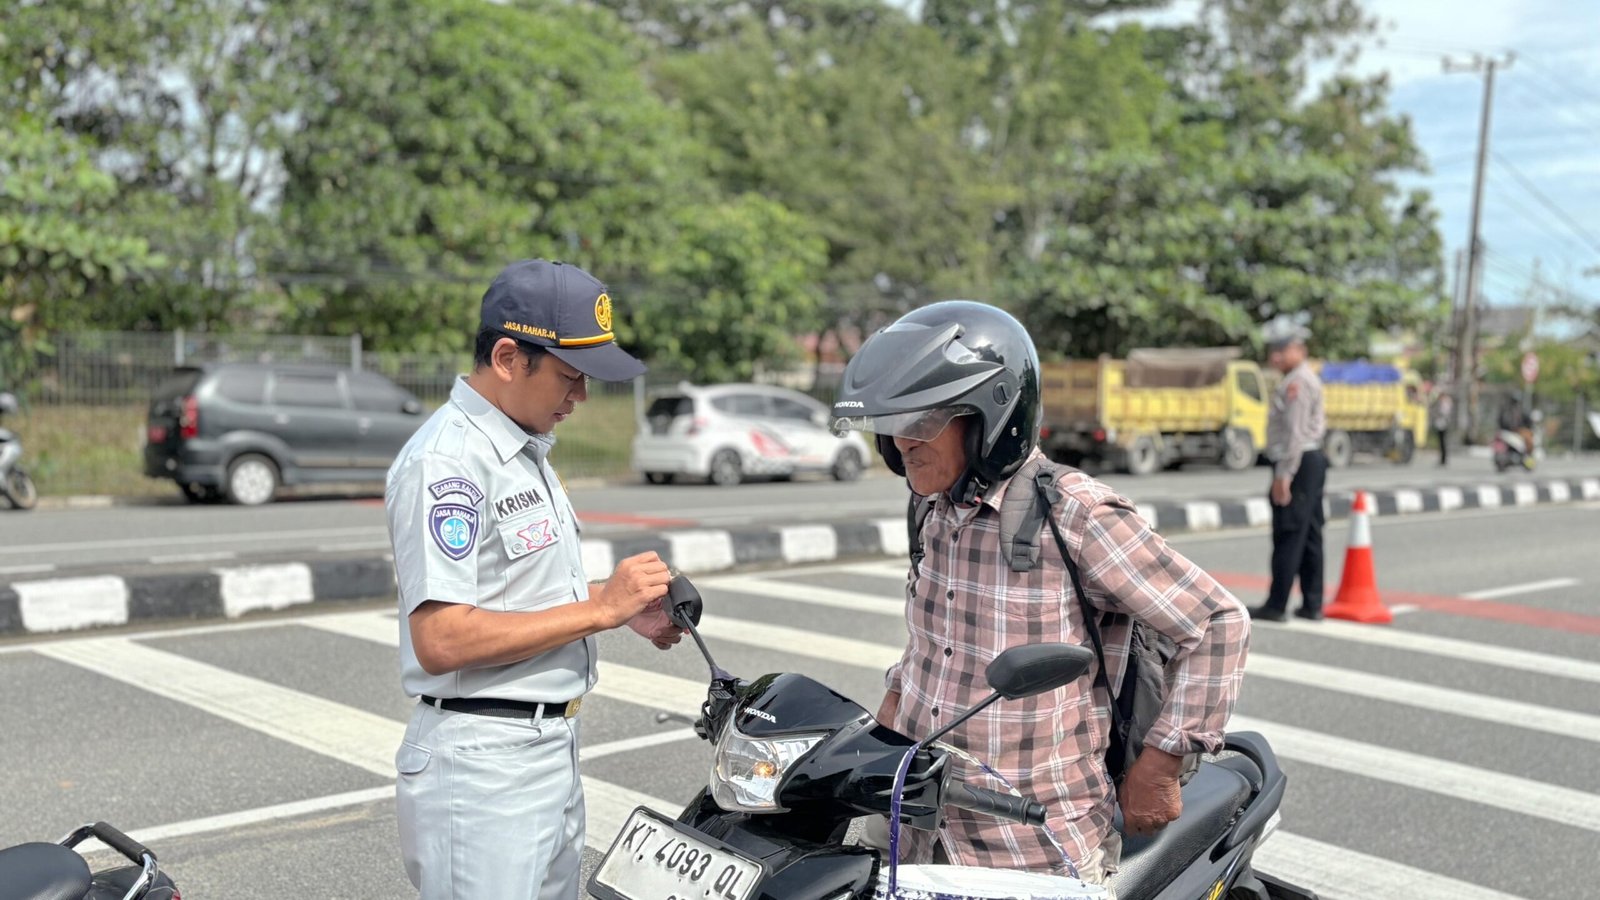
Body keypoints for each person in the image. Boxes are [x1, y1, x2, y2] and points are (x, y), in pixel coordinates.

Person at [830, 301, 1250, 892]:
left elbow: (1218, 624)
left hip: (1030, 845)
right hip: (918, 820)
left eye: (922, 423)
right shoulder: (932, 507)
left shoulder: (1075, 515)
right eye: (892, 425)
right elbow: (933, 644)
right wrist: (882, 737)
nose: (902, 445)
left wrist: (1162, 764)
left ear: (989, 421)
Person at [385, 259, 684, 900]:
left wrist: (619, 607)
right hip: (485, 766)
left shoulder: (521, 450)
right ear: (506, 357)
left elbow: (520, 598)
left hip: (548, 748)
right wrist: (599, 608)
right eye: (569, 377)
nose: (579, 398)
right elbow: (441, 639)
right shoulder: (448, 462)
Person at [1249, 317, 1327, 623]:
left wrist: (1284, 475)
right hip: (1308, 461)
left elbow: (1294, 434)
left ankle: (1277, 604)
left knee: (1289, 532)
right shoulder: (1301, 378)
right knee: (1309, 534)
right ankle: (1312, 603)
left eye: (1281, 350)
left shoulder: (1297, 382)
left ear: (1297, 349)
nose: (1274, 357)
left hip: (1298, 463)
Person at [1430, 388, 1454, 467]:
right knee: (1440, 442)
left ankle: (1444, 459)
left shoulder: (1446, 402)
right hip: (1439, 423)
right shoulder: (1439, 402)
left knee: (1443, 442)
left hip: (1444, 424)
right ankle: (1441, 459)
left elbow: (1445, 413)